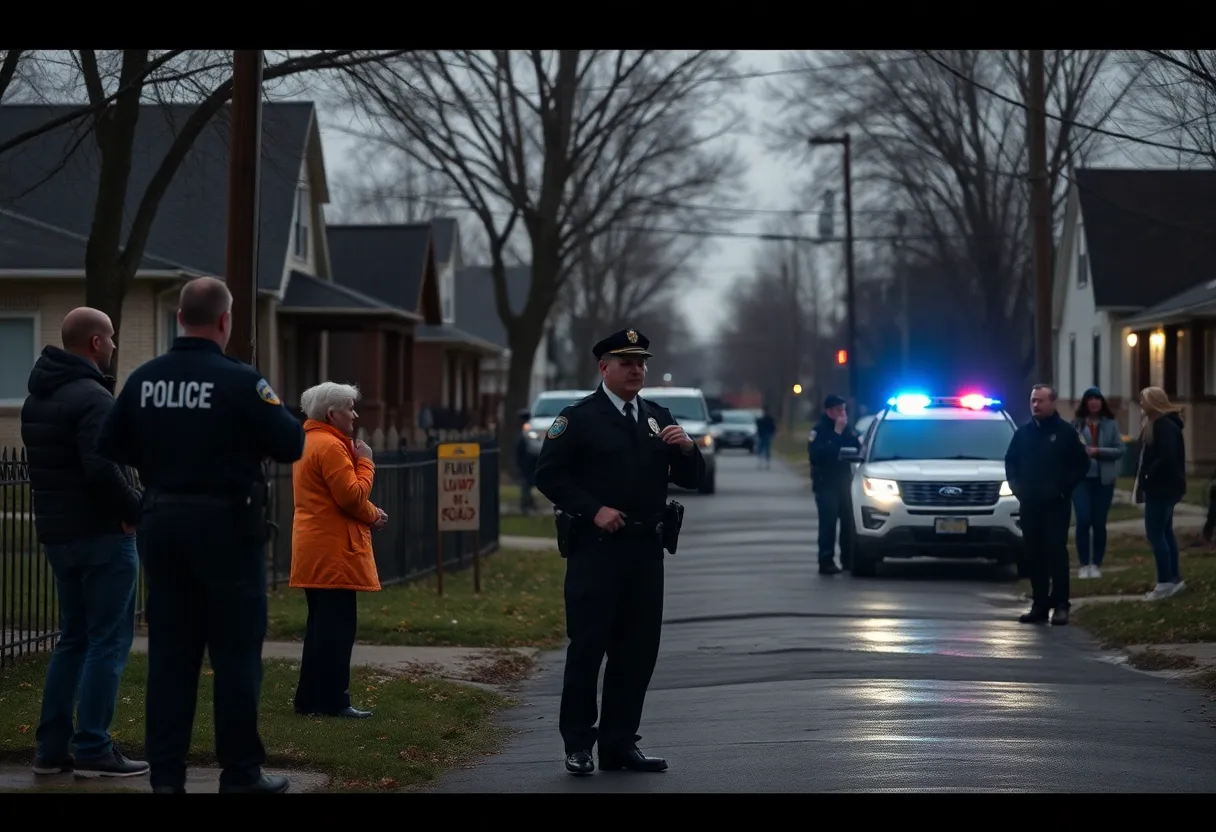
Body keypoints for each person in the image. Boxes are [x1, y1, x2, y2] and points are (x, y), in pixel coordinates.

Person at [96, 276, 306, 794]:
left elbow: (110, 444)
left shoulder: (146, 380)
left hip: (163, 525)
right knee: (235, 658)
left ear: (178, 318)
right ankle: (240, 775)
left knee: (170, 658)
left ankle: (167, 780)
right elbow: (291, 443)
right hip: (226, 530)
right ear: (224, 321)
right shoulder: (240, 381)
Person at [533, 328, 705, 776]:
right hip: (597, 550)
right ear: (603, 367)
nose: (636, 369)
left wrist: (686, 448)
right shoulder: (579, 418)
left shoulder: (655, 416)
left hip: (646, 551)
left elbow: (691, 478)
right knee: (589, 648)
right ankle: (578, 744)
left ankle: (619, 743)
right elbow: (548, 476)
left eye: (641, 362)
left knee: (637, 651)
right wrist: (593, 510)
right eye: (626, 362)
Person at [20, 307, 148, 778]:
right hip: (102, 535)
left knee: (71, 639)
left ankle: (51, 748)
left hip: (59, 535)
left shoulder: (39, 397)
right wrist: (135, 511)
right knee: (106, 642)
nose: (114, 345)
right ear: (95, 343)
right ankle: (94, 745)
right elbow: (102, 468)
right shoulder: (92, 397)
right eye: (111, 338)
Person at [289, 381, 386, 719]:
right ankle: (333, 700)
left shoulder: (309, 441)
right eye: (350, 408)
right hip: (333, 550)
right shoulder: (331, 447)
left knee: (320, 626)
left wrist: (371, 514)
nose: (356, 414)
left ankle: (309, 698)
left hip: (314, 547)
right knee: (338, 628)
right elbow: (350, 496)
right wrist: (366, 463)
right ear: (332, 414)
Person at [1004, 384, 1090, 626]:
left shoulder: (1066, 433)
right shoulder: (1023, 434)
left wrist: (1063, 489)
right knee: (1034, 555)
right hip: (1030, 504)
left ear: (1053, 403)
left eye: (1041, 401)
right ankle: (1039, 604)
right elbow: (1011, 462)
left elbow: (1081, 464)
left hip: (1056, 505)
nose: (1036, 405)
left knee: (1056, 553)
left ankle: (1061, 605)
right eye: (1033, 400)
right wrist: (1017, 488)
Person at [1133, 386, 1188, 600]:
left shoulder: (1164, 426)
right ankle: (1174, 579)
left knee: (1155, 534)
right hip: (1165, 487)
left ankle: (1164, 582)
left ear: (1154, 402)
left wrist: (1148, 475)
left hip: (1162, 488)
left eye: (1144, 400)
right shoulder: (1157, 424)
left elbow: (1167, 457)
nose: (1141, 404)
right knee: (1165, 533)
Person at [1070, 387, 1124, 578]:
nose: (1093, 402)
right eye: (1090, 399)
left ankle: (1096, 564)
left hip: (1104, 480)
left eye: (1097, 399)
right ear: (1085, 402)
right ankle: (1084, 564)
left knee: (1099, 523)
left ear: (1102, 402)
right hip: (1081, 480)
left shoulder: (1110, 424)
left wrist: (1099, 451)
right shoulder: (1076, 424)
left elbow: (1120, 450)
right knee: (1083, 520)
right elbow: (1068, 449)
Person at [808, 394, 860, 575]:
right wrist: (836, 434)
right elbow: (818, 456)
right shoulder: (819, 430)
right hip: (826, 482)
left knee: (848, 523)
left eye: (844, 410)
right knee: (828, 524)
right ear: (828, 411)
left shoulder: (848, 428)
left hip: (845, 481)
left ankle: (848, 560)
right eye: (839, 410)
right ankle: (826, 560)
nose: (842, 414)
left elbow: (857, 447)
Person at [515, 409, 538, 514]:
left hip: (527, 461)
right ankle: (527, 505)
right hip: (525, 461)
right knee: (525, 485)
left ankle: (527, 505)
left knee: (526, 484)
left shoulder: (527, 430)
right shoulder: (526, 429)